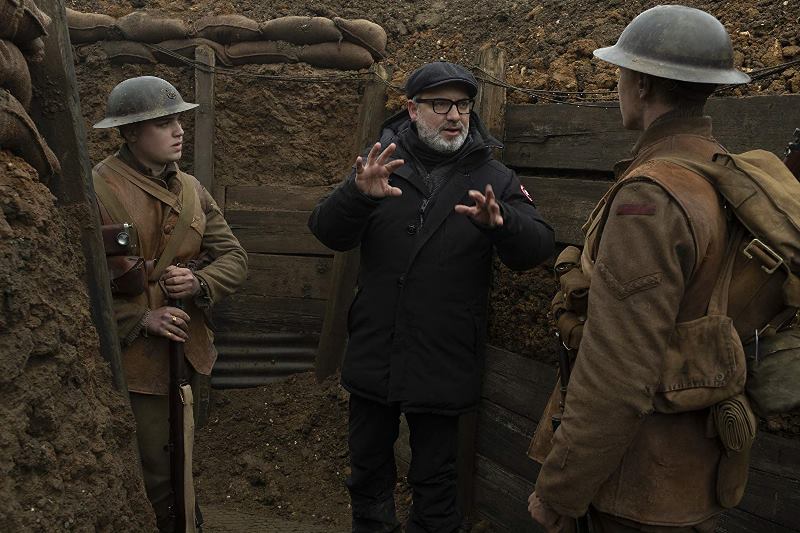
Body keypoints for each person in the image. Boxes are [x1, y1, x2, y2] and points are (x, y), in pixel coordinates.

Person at [527, 6, 754, 533]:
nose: (619, 85)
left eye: (622, 72)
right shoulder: (718, 170)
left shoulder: (650, 198)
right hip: (690, 475)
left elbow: (617, 372)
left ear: (644, 84)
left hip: (637, 489)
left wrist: (561, 490)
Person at [309, 61, 554, 532]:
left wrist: (503, 223)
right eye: (440, 104)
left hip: (443, 354)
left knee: (436, 483)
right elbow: (326, 231)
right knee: (367, 472)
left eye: (462, 105)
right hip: (376, 347)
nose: (455, 116)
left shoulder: (494, 176)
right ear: (412, 109)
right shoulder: (381, 162)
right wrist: (358, 196)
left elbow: (538, 246)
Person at [92, 76, 248, 532]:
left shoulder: (192, 190)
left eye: (178, 119)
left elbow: (235, 258)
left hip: (187, 349)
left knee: (181, 459)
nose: (179, 130)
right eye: (163, 123)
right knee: (153, 471)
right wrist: (141, 316)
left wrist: (199, 281)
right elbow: (77, 282)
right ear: (129, 132)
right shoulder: (96, 189)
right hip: (132, 360)